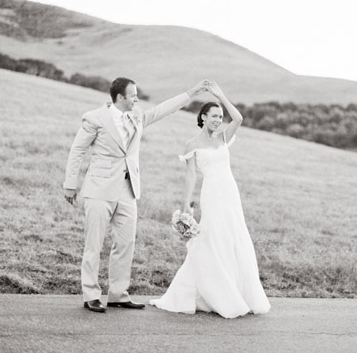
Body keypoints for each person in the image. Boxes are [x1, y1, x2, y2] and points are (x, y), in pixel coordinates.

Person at [64, 76, 212, 313]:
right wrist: (70, 183)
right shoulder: (95, 118)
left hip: (128, 191)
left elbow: (164, 109)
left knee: (126, 244)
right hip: (99, 190)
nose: (136, 98)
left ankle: (118, 294)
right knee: (94, 244)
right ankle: (91, 294)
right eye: (132, 95)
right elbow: (77, 150)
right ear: (120, 97)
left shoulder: (137, 116)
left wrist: (193, 92)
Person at [150, 81, 270, 319]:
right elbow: (191, 175)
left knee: (234, 238)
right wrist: (186, 204)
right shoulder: (192, 145)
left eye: (220, 116)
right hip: (212, 195)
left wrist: (221, 96)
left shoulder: (224, 137)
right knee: (211, 239)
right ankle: (213, 293)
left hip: (230, 195)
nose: (218, 119)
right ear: (202, 117)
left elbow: (239, 119)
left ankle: (236, 292)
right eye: (214, 115)